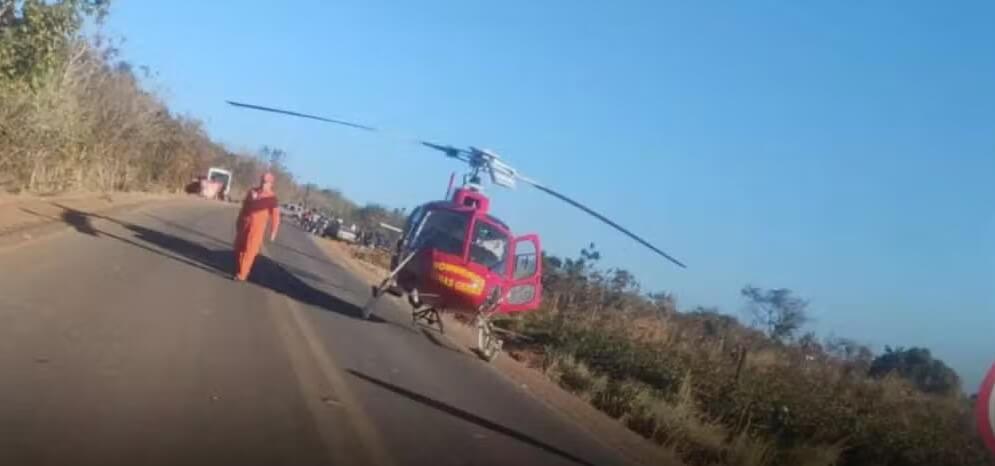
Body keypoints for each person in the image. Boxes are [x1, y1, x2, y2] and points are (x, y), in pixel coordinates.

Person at [233, 173, 280, 281]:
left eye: (267, 182)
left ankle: (242, 274)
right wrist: (239, 221)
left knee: (250, 251)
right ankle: (241, 269)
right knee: (238, 248)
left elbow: (275, 217)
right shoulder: (252, 192)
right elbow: (244, 208)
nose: (264, 184)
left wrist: (273, 232)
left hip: (257, 229)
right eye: (263, 181)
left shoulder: (272, 198)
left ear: (271, 184)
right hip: (245, 224)